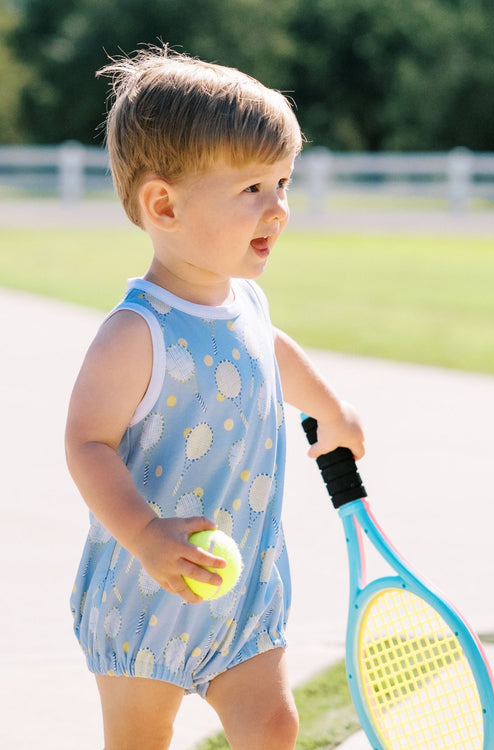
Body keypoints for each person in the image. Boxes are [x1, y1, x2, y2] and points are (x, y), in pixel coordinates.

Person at [65, 44, 365, 750]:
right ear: (163, 205)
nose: (279, 209)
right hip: (146, 590)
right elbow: (86, 443)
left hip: (244, 587)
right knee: (141, 738)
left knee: (274, 726)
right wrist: (142, 535)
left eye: (283, 183)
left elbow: (272, 353)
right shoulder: (136, 332)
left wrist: (330, 408)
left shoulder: (247, 302)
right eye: (252, 189)